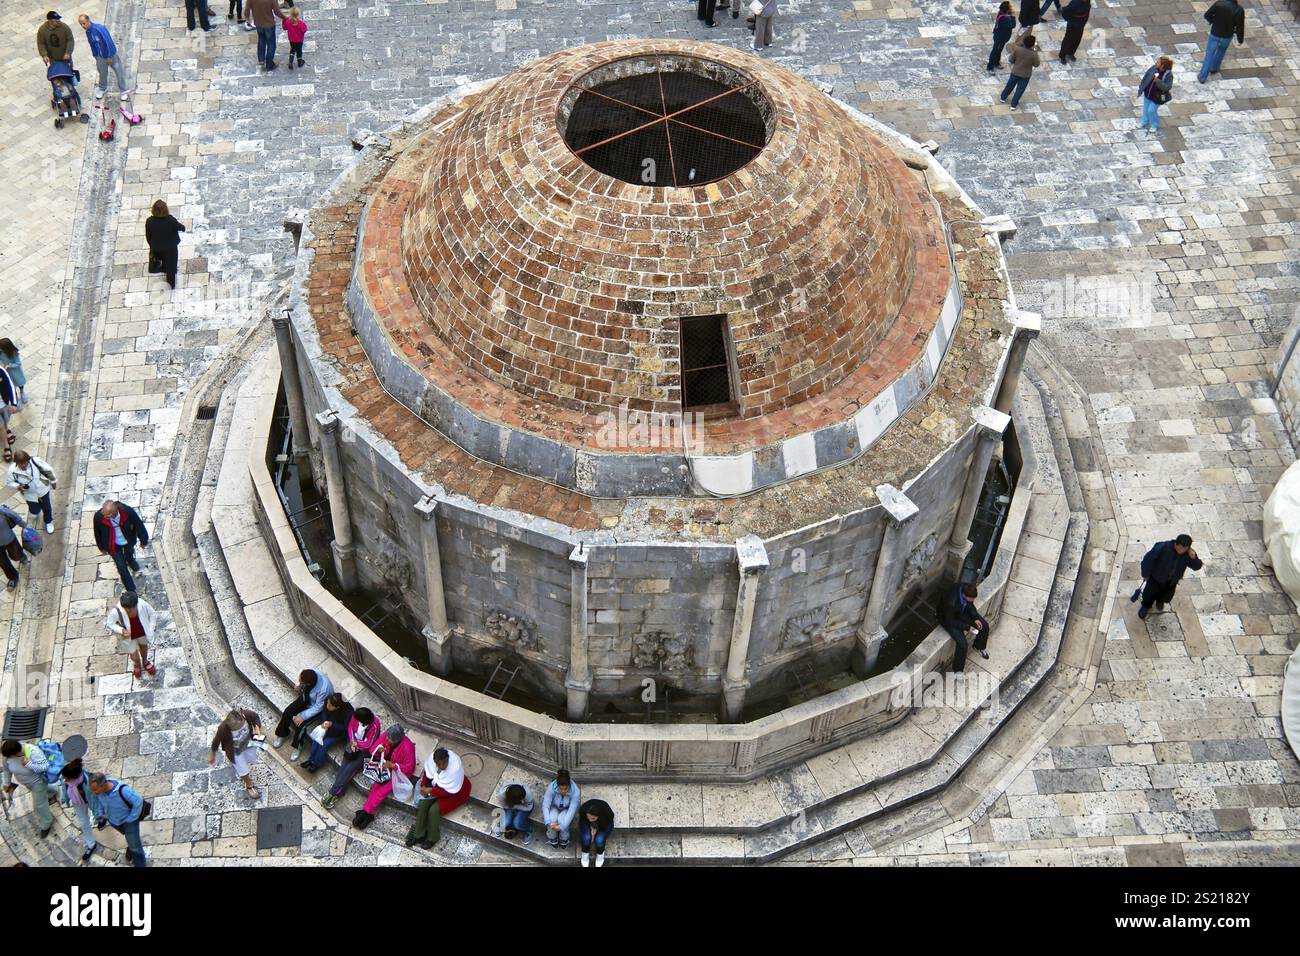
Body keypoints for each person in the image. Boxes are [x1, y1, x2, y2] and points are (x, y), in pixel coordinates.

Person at [405, 746, 471, 848]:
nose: (441, 766)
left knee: (433, 810)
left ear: (447, 760)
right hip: (436, 789)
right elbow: (427, 775)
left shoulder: (454, 769)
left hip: (454, 794)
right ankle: (419, 834)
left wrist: (431, 790)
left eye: (444, 763)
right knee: (423, 804)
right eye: (438, 764)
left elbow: (449, 792)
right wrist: (423, 786)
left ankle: (433, 837)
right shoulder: (432, 764)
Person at [353, 724, 415, 830]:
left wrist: (393, 765)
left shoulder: (408, 747)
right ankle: (367, 812)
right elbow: (373, 749)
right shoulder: (387, 734)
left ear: (396, 740)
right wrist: (377, 751)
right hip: (385, 768)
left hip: (398, 773)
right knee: (376, 786)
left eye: (389, 739)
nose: (386, 739)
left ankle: (366, 813)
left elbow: (410, 767)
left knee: (382, 792)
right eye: (387, 737)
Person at [319, 707, 380, 809]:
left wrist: (357, 744)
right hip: (353, 744)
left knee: (348, 770)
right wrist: (352, 741)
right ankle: (339, 791)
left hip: (363, 751)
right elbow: (350, 728)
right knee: (343, 767)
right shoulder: (356, 716)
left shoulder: (374, 725)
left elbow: (369, 744)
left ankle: (332, 792)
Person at [273, 667, 334, 761]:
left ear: (308, 684)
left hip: (316, 707)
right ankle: (282, 734)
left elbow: (318, 707)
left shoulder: (324, 690)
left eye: (303, 682)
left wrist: (302, 716)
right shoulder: (311, 672)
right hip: (307, 698)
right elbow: (301, 671)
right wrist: (297, 682)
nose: (301, 682)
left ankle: (297, 747)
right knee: (288, 711)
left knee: (301, 726)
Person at [1137, 533, 1203, 619]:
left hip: (1171, 581)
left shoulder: (1188, 554)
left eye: (1185, 549)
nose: (1182, 551)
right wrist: (1145, 574)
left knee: (1165, 595)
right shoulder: (1162, 547)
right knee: (1149, 594)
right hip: (1156, 578)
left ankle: (1159, 601)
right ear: (1176, 543)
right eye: (1180, 548)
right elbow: (1147, 561)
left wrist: (1194, 558)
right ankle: (1146, 606)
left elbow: (1196, 567)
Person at [89, 772, 147, 866]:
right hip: (114, 822)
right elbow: (99, 802)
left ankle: (140, 864)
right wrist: (101, 813)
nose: (94, 792)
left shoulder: (123, 791)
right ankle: (131, 844)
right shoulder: (100, 792)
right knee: (131, 839)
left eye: (95, 789)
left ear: (103, 784)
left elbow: (138, 801)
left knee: (135, 846)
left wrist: (130, 819)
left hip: (129, 823)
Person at [92, 499, 149, 593]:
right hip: (112, 545)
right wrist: (101, 547)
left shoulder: (128, 512)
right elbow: (97, 532)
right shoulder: (99, 516)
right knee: (121, 567)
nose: (104, 515)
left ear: (113, 513)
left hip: (128, 540)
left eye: (106, 514)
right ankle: (131, 590)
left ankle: (130, 560)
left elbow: (139, 525)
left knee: (129, 553)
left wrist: (144, 541)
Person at [1, 739, 53, 838]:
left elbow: (45, 766)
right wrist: (7, 783)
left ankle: (47, 822)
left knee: (39, 806)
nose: (7, 759)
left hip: (38, 782)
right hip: (27, 783)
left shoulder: (33, 752)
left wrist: (29, 765)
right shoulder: (7, 757)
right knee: (43, 794)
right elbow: (7, 770)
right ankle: (53, 791)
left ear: (15, 753)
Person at [209, 708, 265, 800]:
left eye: (238, 727)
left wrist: (257, 727)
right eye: (233, 728)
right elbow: (216, 741)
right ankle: (248, 784)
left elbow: (256, 717)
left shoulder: (247, 714)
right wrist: (212, 754)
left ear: (242, 719)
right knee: (242, 769)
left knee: (251, 759)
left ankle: (245, 771)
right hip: (235, 751)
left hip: (249, 744)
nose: (236, 729)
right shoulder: (223, 728)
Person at [939, 581, 990, 671]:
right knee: (962, 644)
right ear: (964, 596)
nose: (973, 601)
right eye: (971, 599)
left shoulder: (966, 588)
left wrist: (975, 618)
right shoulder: (951, 602)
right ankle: (958, 670)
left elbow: (970, 605)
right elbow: (949, 620)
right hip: (950, 619)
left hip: (961, 612)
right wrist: (967, 627)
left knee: (984, 626)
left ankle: (979, 646)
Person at [105, 591, 158, 678]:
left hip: (141, 630)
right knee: (133, 653)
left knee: (143, 646)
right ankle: (137, 664)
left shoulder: (142, 604)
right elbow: (110, 623)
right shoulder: (116, 611)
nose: (131, 612)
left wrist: (151, 628)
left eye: (133, 608)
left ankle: (145, 661)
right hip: (128, 635)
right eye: (128, 610)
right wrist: (121, 630)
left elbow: (152, 614)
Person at [59, 758, 101, 862]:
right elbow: (64, 788)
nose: (64, 780)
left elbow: (97, 800)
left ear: (74, 778)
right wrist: (65, 798)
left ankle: (100, 819)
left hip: (90, 801)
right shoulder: (66, 779)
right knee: (84, 823)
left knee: (98, 814)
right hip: (78, 803)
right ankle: (91, 844)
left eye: (66, 778)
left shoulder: (89, 783)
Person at [77, 15, 128, 99]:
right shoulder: (88, 32)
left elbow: (108, 42)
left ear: (88, 20)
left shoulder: (99, 29)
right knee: (102, 73)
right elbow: (92, 44)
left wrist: (109, 57)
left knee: (118, 71)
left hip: (110, 55)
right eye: (81, 24)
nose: (83, 26)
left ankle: (123, 90)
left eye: (84, 23)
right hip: (100, 56)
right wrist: (95, 55)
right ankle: (102, 88)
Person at [7, 450, 57, 535]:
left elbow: (49, 470)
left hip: (43, 491)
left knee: (47, 508)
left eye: (24, 462)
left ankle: (48, 521)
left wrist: (53, 481)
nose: (23, 465)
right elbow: (9, 482)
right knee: (34, 509)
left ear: (27, 459)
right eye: (20, 463)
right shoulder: (12, 470)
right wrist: (18, 486)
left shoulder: (36, 462)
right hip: (29, 495)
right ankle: (35, 512)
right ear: (16, 463)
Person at [300, 692, 352, 772]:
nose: (327, 706)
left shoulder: (348, 712)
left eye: (330, 706)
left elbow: (345, 728)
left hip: (338, 733)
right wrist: (324, 722)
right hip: (326, 727)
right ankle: (311, 759)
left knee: (324, 744)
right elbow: (324, 712)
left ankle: (316, 763)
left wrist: (332, 725)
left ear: (337, 707)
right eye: (327, 703)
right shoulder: (329, 701)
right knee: (316, 739)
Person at [1198, 0, 1244, 84]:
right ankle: (1214, 68)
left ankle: (1202, 77)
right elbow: (1240, 27)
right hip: (1227, 36)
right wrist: (1240, 39)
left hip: (1215, 33)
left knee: (1209, 54)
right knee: (1221, 51)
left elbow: (1207, 15)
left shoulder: (1219, 4)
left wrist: (1213, 21)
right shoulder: (1239, 10)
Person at [145, 200, 186, 290]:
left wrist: (152, 245)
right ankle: (171, 284)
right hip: (170, 247)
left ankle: (163, 268)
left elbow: (148, 236)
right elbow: (181, 227)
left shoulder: (149, 221)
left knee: (162, 260)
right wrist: (183, 228)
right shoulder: (170, 220)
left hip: (157, 247)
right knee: (171, 265)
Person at [1000, 32, 1040, 110]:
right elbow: (1036, 64)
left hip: (1015, 71)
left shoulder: (1018, 49)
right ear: (1032, 44)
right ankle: (1013, 105)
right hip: (1025, 75)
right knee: (1020, 90)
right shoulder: (1034, 54)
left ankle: (1003, 97)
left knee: (1010, 85)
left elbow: (1011, 59)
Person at [542, 769, 581, 848]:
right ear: (557, 785)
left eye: (565, 789)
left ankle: (564, 839)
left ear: (569, 786)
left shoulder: (576, 791)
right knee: (552, 819)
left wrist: (561, 827)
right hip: (554, 807)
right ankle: (552, 837)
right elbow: (546, 805)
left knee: (562, 820)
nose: (563, 791)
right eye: (561, 789)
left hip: (567, 808)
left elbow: (571, 811)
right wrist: (548, 822)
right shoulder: (551, 787)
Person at [1137, 56, 1174, 133]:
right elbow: (1146, 76)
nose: (1156, 63)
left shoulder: (1168, 75)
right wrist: (1141, 86)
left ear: (1162, 66)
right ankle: (1144, 121)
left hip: (1157, 97)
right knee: (1146, 109)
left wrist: (1158, 81)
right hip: (1148, 93)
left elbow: (1167, 87)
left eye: (1158, 62)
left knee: (1151, 110)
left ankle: (1154, 124)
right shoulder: (1153, 68)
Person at [248, 0, 287, 70]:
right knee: (271, 44)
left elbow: (247, 9)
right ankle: (269, 64)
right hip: (269, 24)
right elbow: (277, 12)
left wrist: (247, 18)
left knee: (261, 40)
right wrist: (285, 17)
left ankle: (261, 59)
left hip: (258, 23)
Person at [577, 797, 614, 867]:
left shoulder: (607, 814)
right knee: (586, 837)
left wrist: (595, 831)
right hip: (585, 821)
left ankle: (600, 853)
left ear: (598, 816)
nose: (590, 819)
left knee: (599, 840)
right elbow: (585, 820)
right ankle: (585, 852)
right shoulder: (583, 810)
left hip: (604, 823)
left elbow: (605, 825)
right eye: (589, 817)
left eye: (593, 818)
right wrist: (590, 828)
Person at [0, 505, 29, 593]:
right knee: (3, 562)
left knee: (15, 555)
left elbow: (12, 514)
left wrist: (23, 524)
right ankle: (13, 577)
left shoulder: (1, 511)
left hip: (8, 539)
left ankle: (21, 557)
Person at [988, 3, 1017, 73]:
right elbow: (1012, 25)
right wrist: (1013, 17)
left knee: (999, 50)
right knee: (995, 51)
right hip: (1000, 37)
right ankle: (990, 67)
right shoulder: (1003, 18)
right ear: (1006, 10)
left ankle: (996, 62)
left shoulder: (1003, 14)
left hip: (1003, 37)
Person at [0, 340, 27, 409]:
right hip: (7, 373)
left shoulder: (14, 353)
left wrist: (9, 365)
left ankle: (22, 392)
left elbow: (18, 363)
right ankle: (16, 400)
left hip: (16, 372)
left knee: (20, 383)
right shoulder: (0, 353)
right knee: (11, 387)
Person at [0, 365, 17, 465]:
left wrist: (14, 403)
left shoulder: (1, 370)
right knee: (0, 427)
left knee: (5, 421)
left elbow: (11, 385)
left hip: (4, 404)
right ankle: (7, 447)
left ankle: (7, 429)